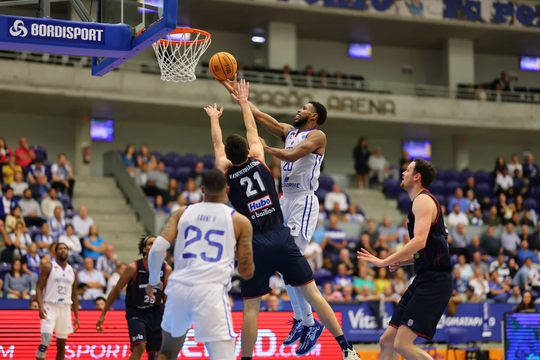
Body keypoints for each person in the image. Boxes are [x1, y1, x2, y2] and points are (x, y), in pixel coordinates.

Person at [210, 80, 360, 360]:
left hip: (304, 200)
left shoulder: (318, 136)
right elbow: (258, 118)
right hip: (284, 200)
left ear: (313, 116)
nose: (298, 109)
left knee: (295, 262)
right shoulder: (289, 132)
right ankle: (308, 321)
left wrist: (268, 150)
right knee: (289, 268)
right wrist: (238, 95)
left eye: (304, 107)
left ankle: (307, 321)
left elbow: (291, 154)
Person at [144, 169, 255, 360]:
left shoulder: (181, 213)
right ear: (227, 190)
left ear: (202, 189)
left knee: (167, 351)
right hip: (210, 292)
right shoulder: (239, 221)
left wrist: (154, 280)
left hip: (178, 288)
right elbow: (245, 272)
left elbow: (157, 248)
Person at [357, 159, 452, 360]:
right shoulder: (418, 202)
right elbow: (427, 247)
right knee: (387, 341)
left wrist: (383, 261)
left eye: (407, 170)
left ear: (416, 176)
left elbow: (419, 241)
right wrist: (404, 261)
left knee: (402, 344)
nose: (403, 173)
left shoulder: (423, 200)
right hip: (423, 279)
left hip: (435, 281)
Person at [96, 236, 172, 360]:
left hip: (156, 312)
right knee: (140, 347)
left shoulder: (166, 269)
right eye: (150, 244)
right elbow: (116, 290)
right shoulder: (133, 268)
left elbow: (166, 294)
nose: (153, 246)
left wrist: (168, 315)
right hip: (136, 312)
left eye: (156, 244)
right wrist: (103, 313)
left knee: (158, 352)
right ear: (144, 249)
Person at [36, 242, 79, 360]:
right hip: (50, 307)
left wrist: (76, 316)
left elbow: (74, 294)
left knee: (61, 345)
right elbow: (39, 287)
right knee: (46, 339)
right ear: (55, 252)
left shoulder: (73, 271)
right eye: (60, 248)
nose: (63, 250)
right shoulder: (48, 267)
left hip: (65, 309)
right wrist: (40, 306)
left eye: (65, 248)